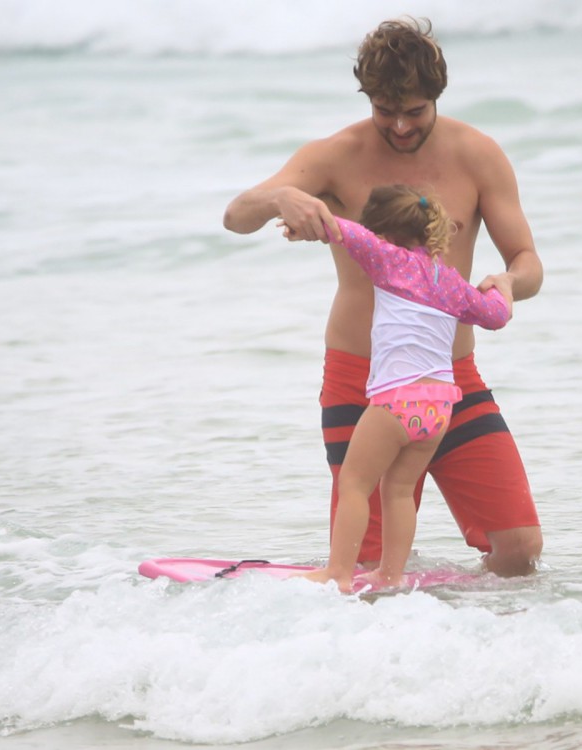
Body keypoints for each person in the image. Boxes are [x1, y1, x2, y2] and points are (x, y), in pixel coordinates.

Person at [223, 17, 543, 576]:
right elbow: (235, 216)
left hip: (450, 381)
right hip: (360, 379)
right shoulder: (334, 155)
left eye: (413, 112)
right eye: (383, 111)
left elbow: (529, 262)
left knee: (518, 548)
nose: (397, 126)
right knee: (364, 562)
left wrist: (510, 283)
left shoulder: (478, 154)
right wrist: (283, 198)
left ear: (436, 95)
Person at [284, 185, 511, 591]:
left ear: (386, 234)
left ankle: (338, 572)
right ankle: (390, 574)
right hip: (440, 408)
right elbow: (495, 317)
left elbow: (344, 232)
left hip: (395, 402)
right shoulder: (453, 283)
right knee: (399, 491)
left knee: (354, 484)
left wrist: (307, 224)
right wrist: (503, 287)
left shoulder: (387, 259)